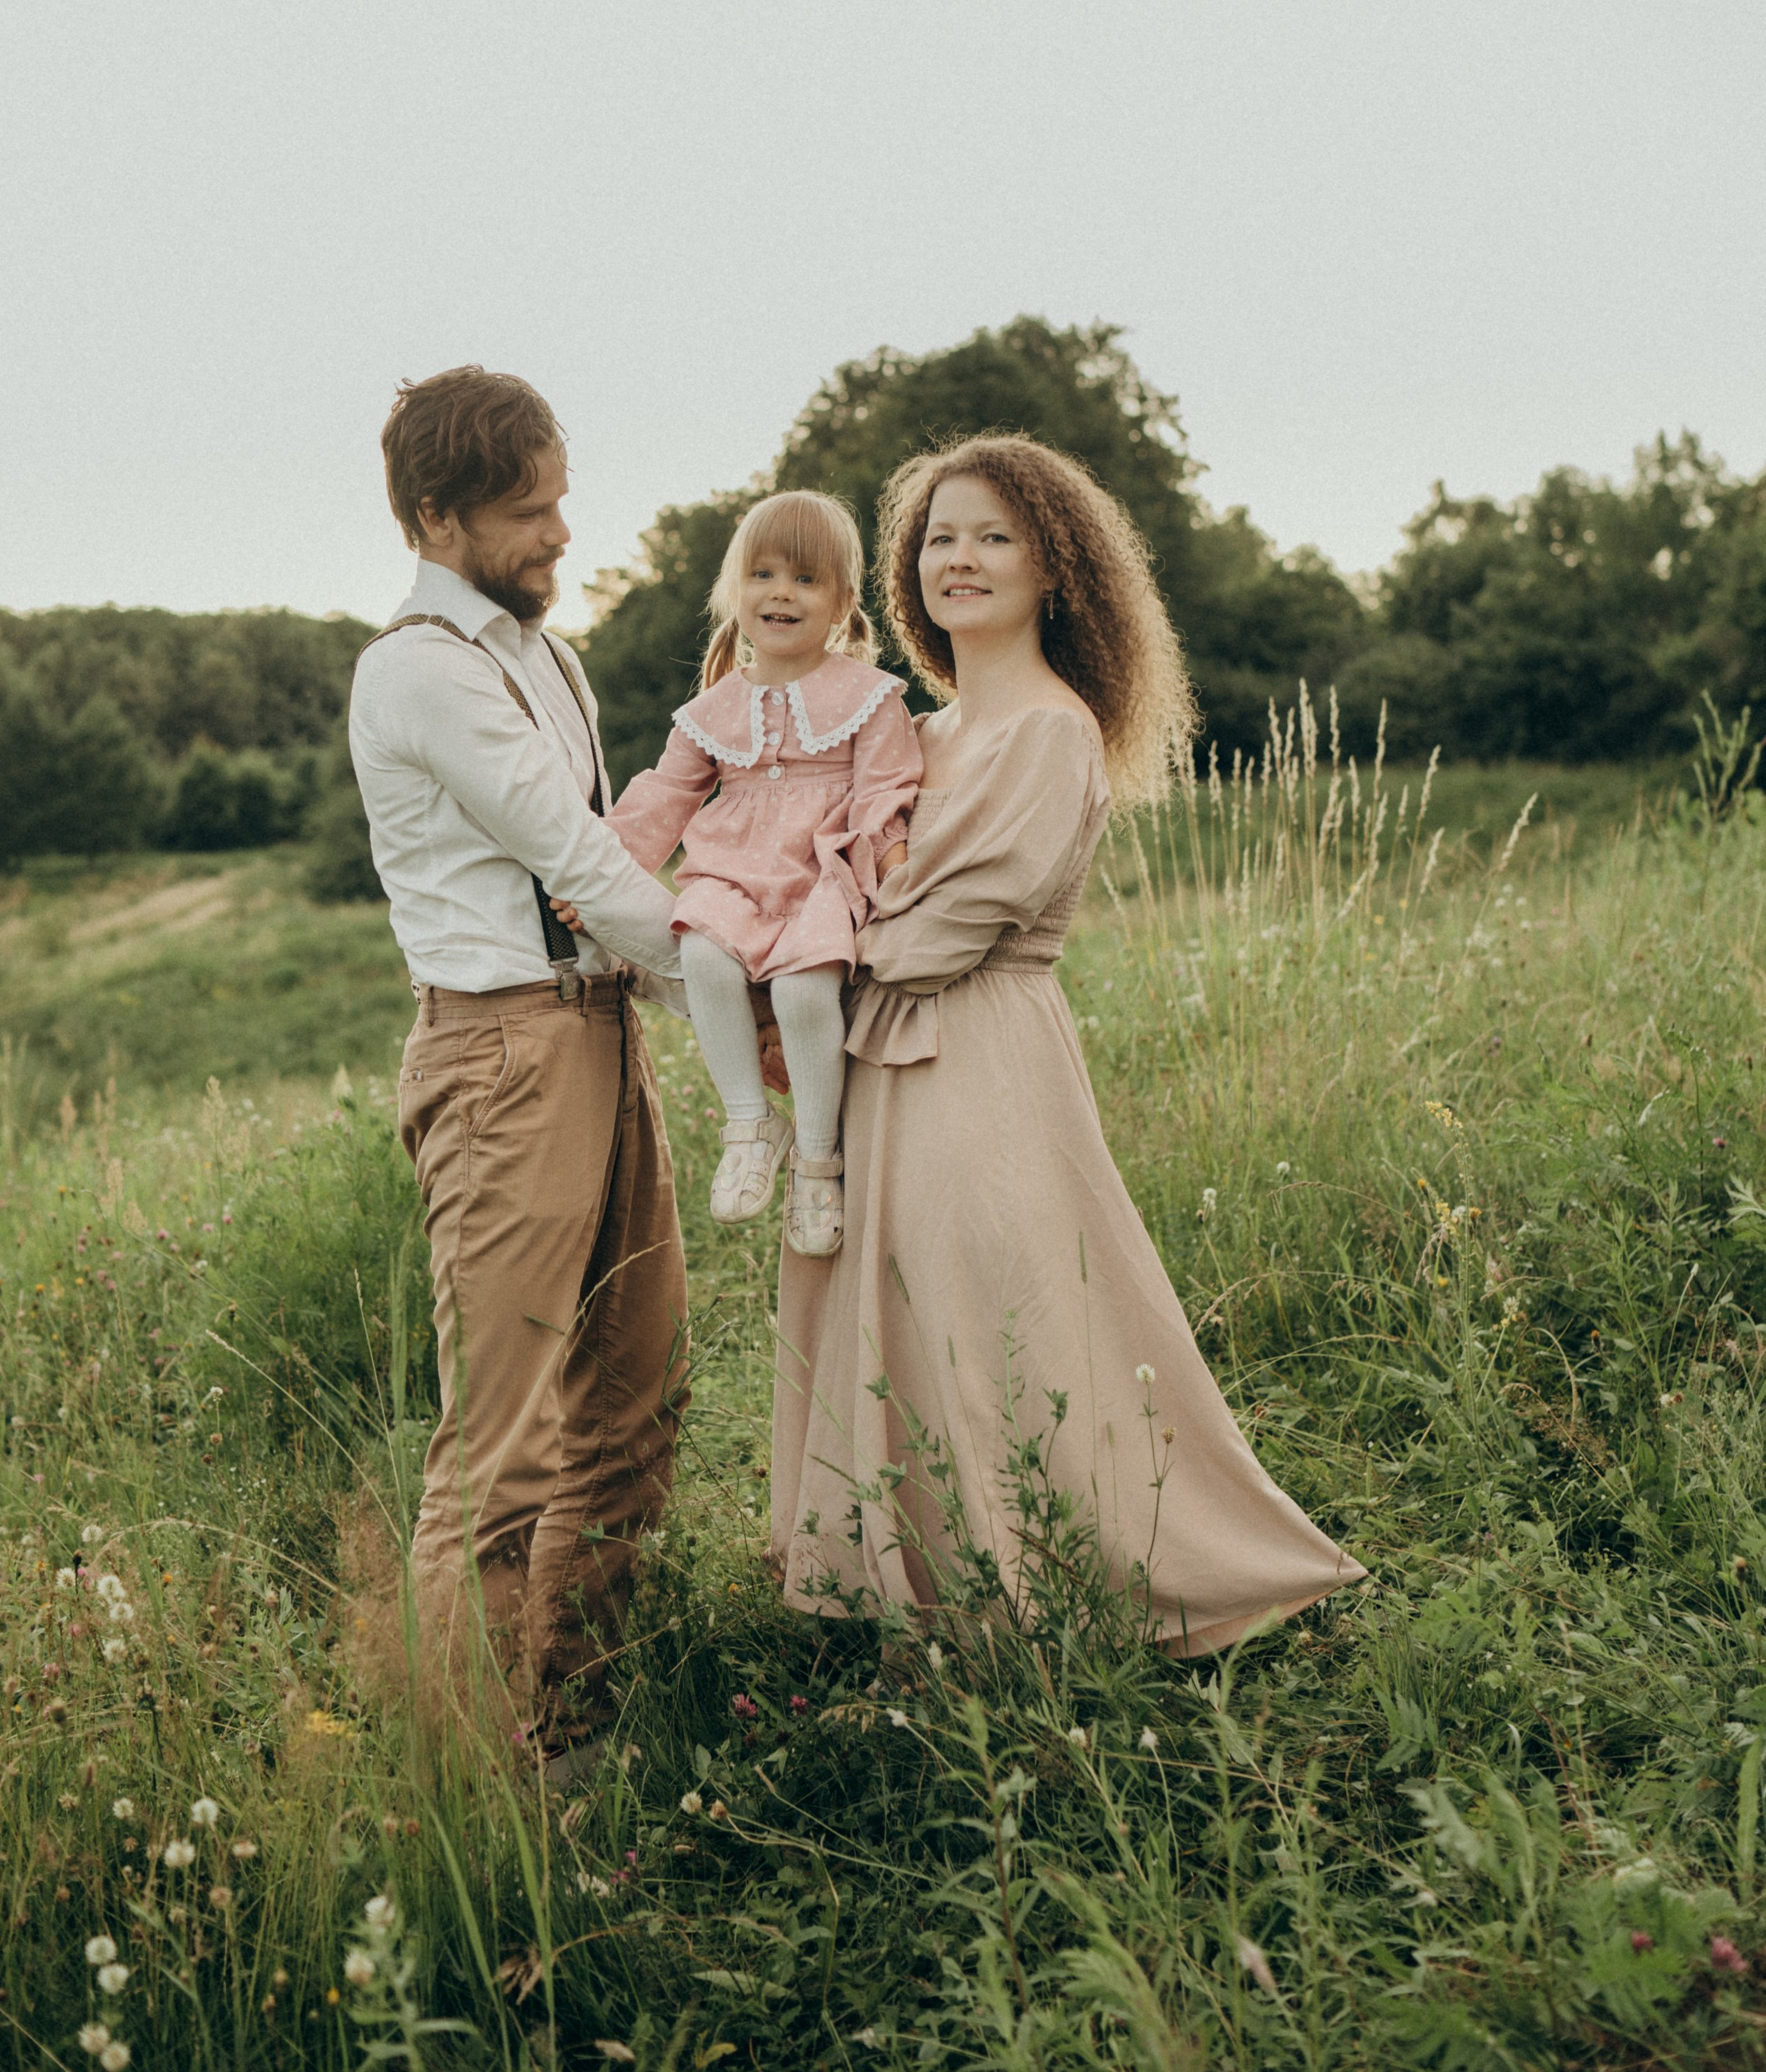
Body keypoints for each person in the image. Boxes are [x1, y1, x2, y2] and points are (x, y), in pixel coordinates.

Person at [771, 435, 1366, 1654]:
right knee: (889, 1310)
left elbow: (947, 930)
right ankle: (913, 1590)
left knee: (983, 1312)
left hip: (976, 1057)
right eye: (940, 537)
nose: (961, 559)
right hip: (878, 1060)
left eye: (995, 537)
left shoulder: (1049, 730)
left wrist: (799, 957)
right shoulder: (917, 731)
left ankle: (1032, 1593)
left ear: (1054, 570)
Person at [348, 364, 690, 1765]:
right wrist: (753, 1006)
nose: (560, 532)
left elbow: (605, 876)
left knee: (633, 1399)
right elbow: (584, 862)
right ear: (439, 516)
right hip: (501, 1056)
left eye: (560, 500)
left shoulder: (550, 657)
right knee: (503, 1454)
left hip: (600, 1030)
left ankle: (573, 1727)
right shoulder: (419, 669)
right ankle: (470, 1781)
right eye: (526, 511)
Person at [603, 491, 920, 1259]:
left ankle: (817, 1159)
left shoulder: (869, 697)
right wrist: (599, 878)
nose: (782, 593)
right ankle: (749, 1124)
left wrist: (897, 877)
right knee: (703, 952)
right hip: (735, 875)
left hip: (820, 875)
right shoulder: (712, 708)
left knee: (805, 991)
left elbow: (884, 795)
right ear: (734, 589)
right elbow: (664, 796)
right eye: (764, 574)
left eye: (806, 579)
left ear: (842, 601)